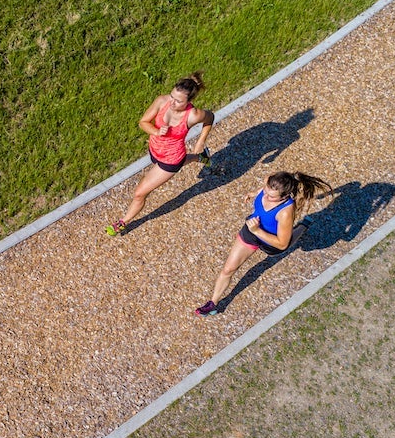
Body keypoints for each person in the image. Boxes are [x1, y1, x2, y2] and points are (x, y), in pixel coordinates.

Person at [194, 171, 332, 316]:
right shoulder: (270, 183)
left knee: (289, 240)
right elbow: (265, 189)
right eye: (266, 191)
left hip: (271, 241)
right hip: (252, 231)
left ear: (285, 197)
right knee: (228, 269)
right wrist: (255, 193)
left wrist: (257, 230)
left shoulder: (286, 212)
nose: (266, 196)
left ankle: (303, 226)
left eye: (271, 196)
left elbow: (282, 244)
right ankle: (213, 303)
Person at [106, 72, 216, 236]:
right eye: (172, 96)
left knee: (139, 193)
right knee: (181, 161)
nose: (172, 102)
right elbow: (143, 122)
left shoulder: (193, 115)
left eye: (178, 101)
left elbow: (210, 117)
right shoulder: (161, 101)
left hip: (171, 159)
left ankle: (123, 222)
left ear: (189, 102)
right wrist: (157, 132)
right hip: (155, 149)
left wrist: (200, 141)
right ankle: (202, 158)